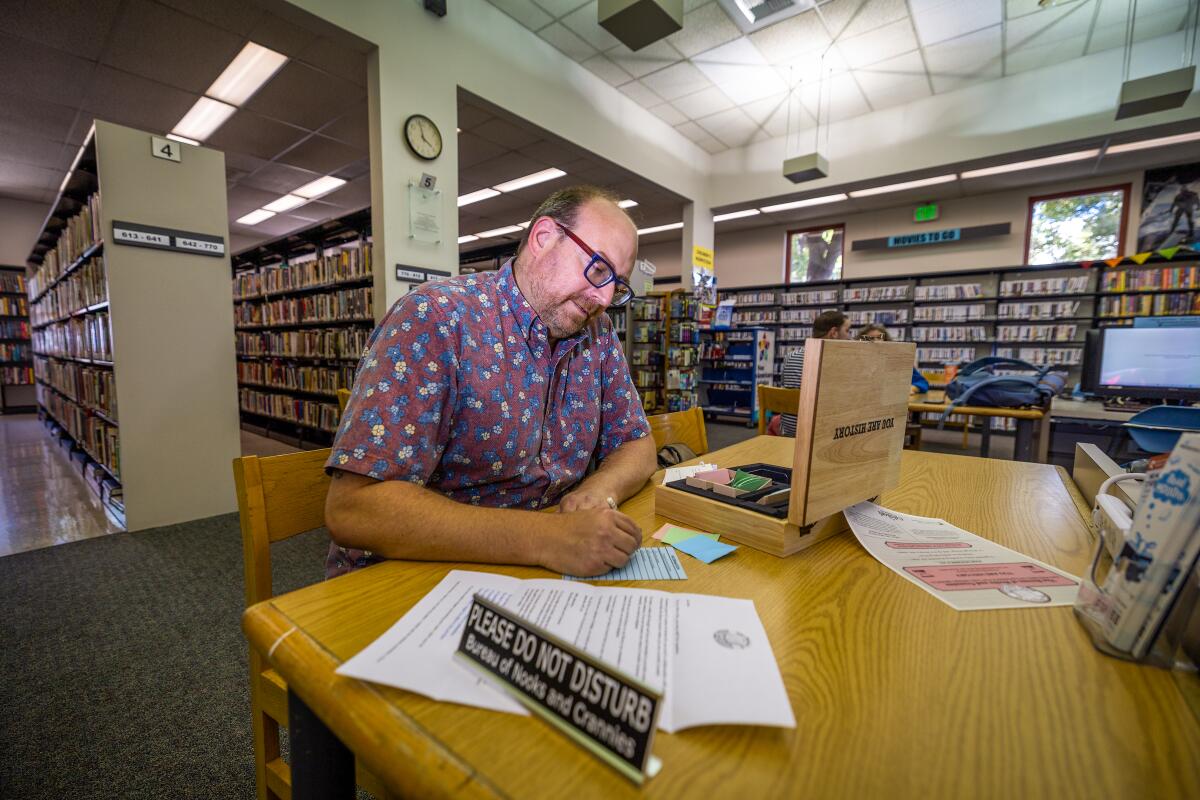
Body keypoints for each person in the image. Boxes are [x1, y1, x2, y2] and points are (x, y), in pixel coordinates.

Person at [323, 186, 658, 578]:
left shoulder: (597, 334)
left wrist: (599, 490)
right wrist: (546, 537)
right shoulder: (436, 317)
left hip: (548, 565)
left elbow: (638, 443)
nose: (603, 299)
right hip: (412, 578)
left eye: (615, 285)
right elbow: (354, 508)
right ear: (543, 237)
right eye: (598, 269)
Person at [777, 310, 850, 436]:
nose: (849, 337)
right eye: (847, 331)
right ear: (833, 333)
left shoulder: (790, 356)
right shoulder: (836, 361)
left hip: (788, 432)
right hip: (817, 436)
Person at [856, 323, 929, 392]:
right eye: (870, 338)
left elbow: (922, 382)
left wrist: (912, 388)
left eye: (879, 337)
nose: (876, 341)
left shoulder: (897, 361)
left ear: (886, 340)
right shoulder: (856, 362)